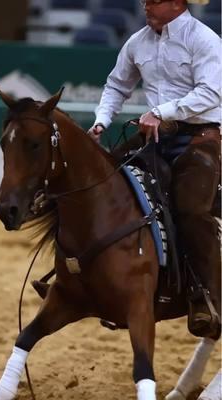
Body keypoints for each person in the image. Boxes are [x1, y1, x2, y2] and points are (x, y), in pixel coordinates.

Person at [88, 0, 221, 338]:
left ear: (178, 3)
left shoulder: (204, 40)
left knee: (191, 209)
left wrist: (163, 111)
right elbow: (117, 84)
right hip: (155, 135)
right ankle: (83, 276)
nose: (145, 5)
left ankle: (207, 295)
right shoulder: (137, 42)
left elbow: (211, 92)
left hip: (200, 137)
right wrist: (101, 122)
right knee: (101, 180)